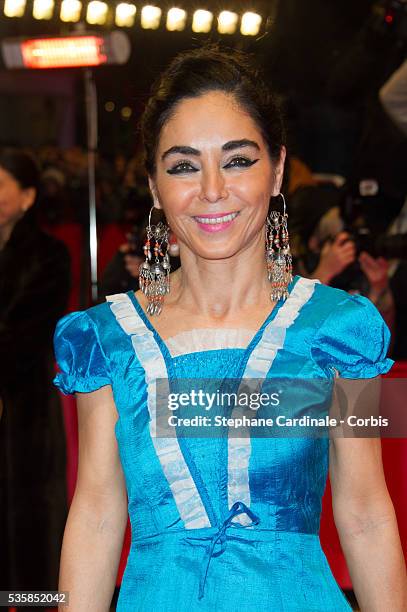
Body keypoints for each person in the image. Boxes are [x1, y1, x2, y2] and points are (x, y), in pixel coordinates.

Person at [53, 45, 407, 611]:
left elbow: (365, 511)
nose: (213, 189)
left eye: (238, 160)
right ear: (154, 186)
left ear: (278, 169)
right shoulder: (103, 341)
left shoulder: (343, 330)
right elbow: (96, 515)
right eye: (184, 165)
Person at [0, 149, 70, 602]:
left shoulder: (49, 255)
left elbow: (26, 332)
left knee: (26, 521)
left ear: (26, 197)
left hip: (21, 406)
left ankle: (33, 603)